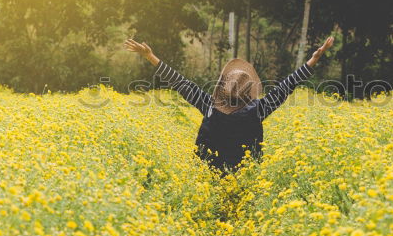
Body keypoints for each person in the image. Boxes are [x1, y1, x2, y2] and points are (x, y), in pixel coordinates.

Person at [124, 36, 334, 174]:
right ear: (248, 92)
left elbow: (179, 82)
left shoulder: (208, 105)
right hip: (244, 179)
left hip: (207, 179)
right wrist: (314, 59)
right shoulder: (258, 110)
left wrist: (150, 56)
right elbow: (286, 86)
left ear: (222, 87)